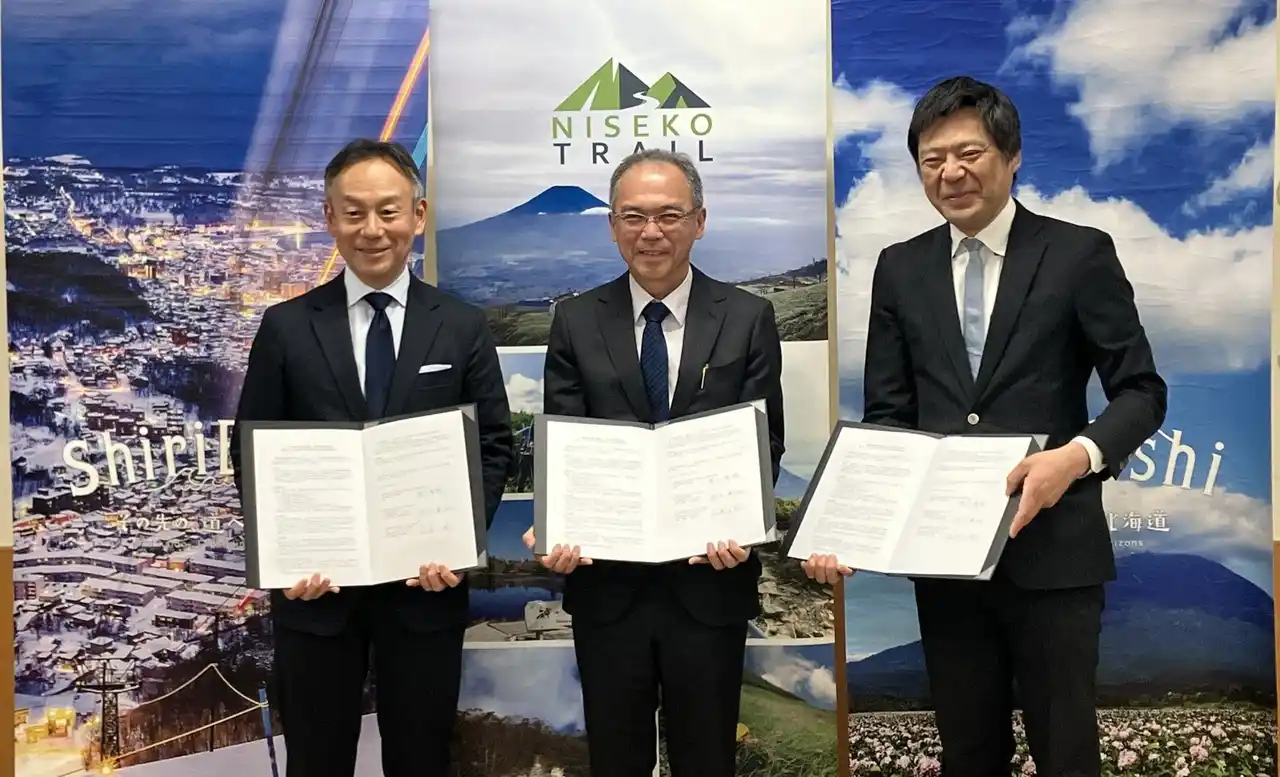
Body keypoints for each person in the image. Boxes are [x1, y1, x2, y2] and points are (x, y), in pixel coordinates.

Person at [803, 76, 1167, 776]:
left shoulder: (1078, 253)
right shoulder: (900, 268)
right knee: (968, 753)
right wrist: (846, 527)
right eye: (932, 160)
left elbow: (1141, 391)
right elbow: (888, 419)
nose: (951, 172)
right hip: (946, 567)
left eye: (968, 153)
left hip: (1055, 555)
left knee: (1067, 753)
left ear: (1012, 155)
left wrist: (1075, 456)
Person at [230, 139, 514, 777]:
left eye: (388, 211)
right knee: (316, 759)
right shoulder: (286, 326)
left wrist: (460, 541)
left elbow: (493, 444)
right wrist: (286, 555)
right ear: (329, 218)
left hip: (426, 590)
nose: (373, 229)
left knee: (421, 758)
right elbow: (252, 451)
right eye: (354, 212)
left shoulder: (462, 325)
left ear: (418, 214)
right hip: (316, 596)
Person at [521, 148, 785, 777]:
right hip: (607, 588)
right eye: (633, 217)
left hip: (710, 582)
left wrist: (741, 524)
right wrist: (557, 524)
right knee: (616, 759)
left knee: (708, 759)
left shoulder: (748, 317)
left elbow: (765, 442)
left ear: (700, 221)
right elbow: (567, 442)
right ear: (613, 225)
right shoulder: (576, 320)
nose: (651, 232)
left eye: (669, 215)